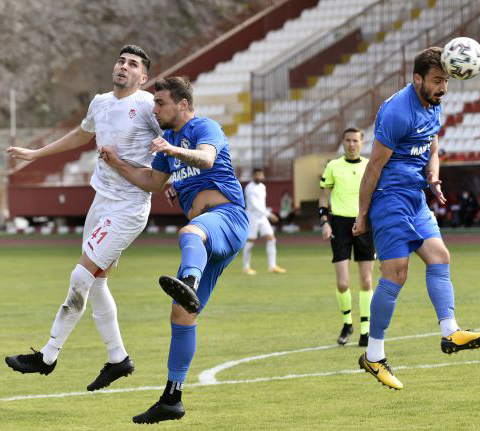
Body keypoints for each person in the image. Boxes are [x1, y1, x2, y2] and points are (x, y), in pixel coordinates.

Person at [5, 45, 162, 391]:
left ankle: (48, 355)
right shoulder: (100, 102)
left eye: (133, 64)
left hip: (129, 205)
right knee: (97, 280)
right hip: (101, 202)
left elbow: (170, 139)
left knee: (81, 275)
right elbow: (81, 134)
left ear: (143, 77)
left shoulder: (149, 106)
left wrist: (173, 177)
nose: (123, 66)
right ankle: (118, 359)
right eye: (121, 60)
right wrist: (36, 154)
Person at [98, 76, 248, 423]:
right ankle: (172, 398)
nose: (156, 109)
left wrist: (173, 151)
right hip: (210, 238)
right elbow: (152, 182)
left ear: (183, 104)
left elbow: (207, 159)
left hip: (226, 219)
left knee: (189, 233)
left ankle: (190, 285)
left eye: (161, 103)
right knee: (181, 317)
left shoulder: (203, 127)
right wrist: (118, 163)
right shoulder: (168, 140)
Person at [353, 47, 480, 390]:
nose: (443, 87)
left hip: (414, 197)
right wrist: (363, 214)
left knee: (440, 256)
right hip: (389, 199)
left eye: (446, 80)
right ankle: (373, 356)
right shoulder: (398, 112)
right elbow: (373, 167)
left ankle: (450, 332)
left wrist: (433, 174)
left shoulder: (434, 102)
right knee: (396, 274)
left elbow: (432, 142)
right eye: (437, 81)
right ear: (417, 79)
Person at [318, 127, 375, 347]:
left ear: (362, 142)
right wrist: (325, 222)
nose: (351, 144)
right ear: (343, 142)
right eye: (348, 140)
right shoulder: (333, 166)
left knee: (366, 280)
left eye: (355, 140)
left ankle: (365, 330)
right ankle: (347, 322)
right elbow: (323, 198)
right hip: (340, 225)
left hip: (365, 223)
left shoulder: (370, 165)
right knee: (342, 282)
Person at [242, 168, 286, 275]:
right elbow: (254, 205)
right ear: (253, 176)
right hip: (252, 217)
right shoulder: (249, 188)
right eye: (257, 175)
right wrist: (269, 214)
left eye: (261, 175)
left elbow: (262, 204)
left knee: (271, 239)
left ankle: (272, 266)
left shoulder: (262, 187)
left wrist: (266, 214)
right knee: (250, 241)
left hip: (262, 217)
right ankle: (246, 267)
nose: (259, 177)